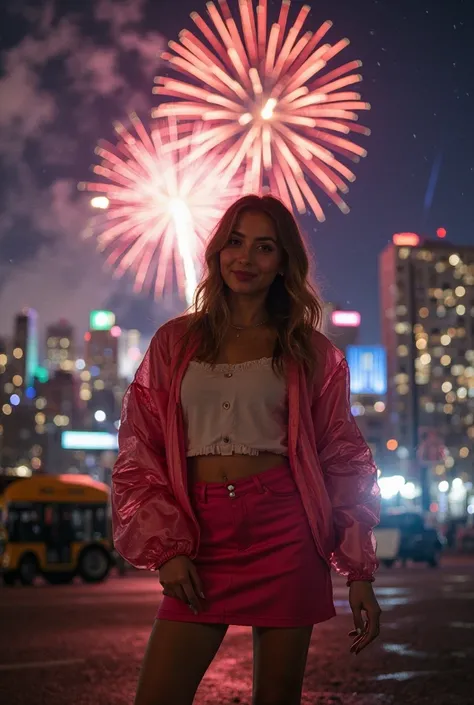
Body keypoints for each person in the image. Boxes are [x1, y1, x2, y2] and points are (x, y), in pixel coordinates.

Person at [112, 194, 381, 705]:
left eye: (264, 247)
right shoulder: (175, 342)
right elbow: (139, 449)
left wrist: (359, 570)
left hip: (286, 529)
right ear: (216, 251)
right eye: (235, 243)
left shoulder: (311, 351)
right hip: (199, 532)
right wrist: (167, 550)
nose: (245, 258)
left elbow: (343, 458)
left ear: (283, 263)